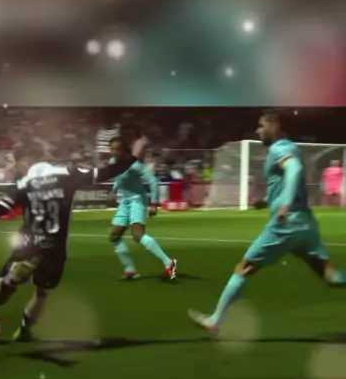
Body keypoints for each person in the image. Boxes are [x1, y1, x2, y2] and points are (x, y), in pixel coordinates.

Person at [0, 137, 148, 341]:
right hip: (55, 248)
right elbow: (106, 172)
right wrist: (132, 158)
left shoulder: (24, 184)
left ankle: (11, 279)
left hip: (28, 243)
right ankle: (24, 332)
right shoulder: (67, 174)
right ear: (42, 156)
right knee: (42, 293)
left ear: (24, 161)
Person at [189, 110, 346, 334]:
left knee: (244, 268)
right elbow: (287, 177)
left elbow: (294, 169)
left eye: (262, 125)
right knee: (331, 276)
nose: (258, 130)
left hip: (286, 225)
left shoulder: (279, 149)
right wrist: (268, 200)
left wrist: (285, 204)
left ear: (276, 126)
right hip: (306, 224)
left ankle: (215, 320)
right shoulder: (290, 147)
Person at [109, 137, 177, 280]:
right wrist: (114, 190)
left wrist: (154, 203)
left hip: (137, 200)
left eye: (117, 149)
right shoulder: (112, 162)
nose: (114, 152)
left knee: (137, 235)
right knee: (115, 236)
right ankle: (130, 269)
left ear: (124, 150)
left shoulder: (135, 166)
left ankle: (168, 262)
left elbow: (153, 181)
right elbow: (118, 178)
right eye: (112, 149)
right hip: (125, 202)